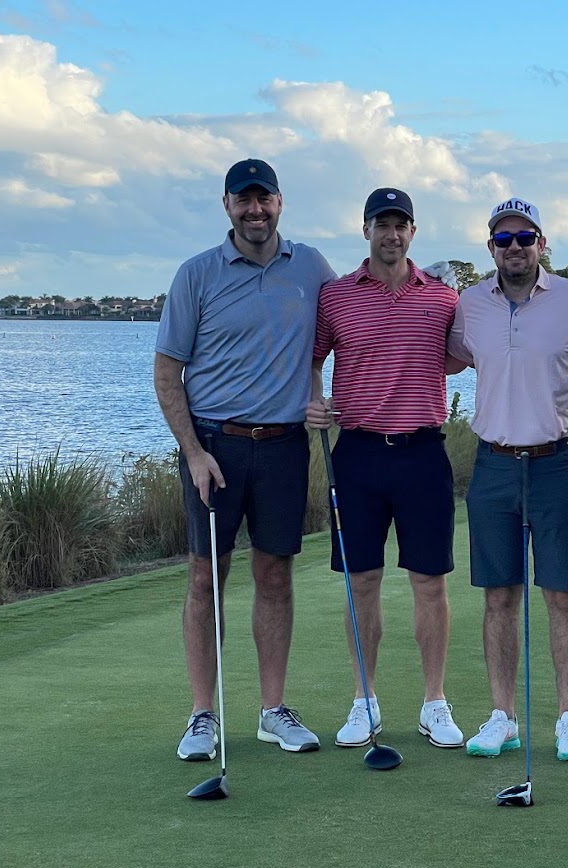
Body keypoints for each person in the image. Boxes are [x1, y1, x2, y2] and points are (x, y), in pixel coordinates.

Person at [156, 158, 336, 761]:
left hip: (284, 446)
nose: (255, 210)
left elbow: (354, 324)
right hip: (216, 446)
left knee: (275, 576)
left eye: (265, 200)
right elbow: (167, 373)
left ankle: (271, 710)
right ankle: (203, 715)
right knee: (206, 577)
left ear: (280, 202)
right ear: (227, 205)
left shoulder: (310, 266)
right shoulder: (197, 274)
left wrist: (326, 395)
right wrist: (194, 452)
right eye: (244, 201)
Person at [446, 197, 568, 761]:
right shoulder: (469, 304)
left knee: (564, 595)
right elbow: (445, 359)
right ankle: (502, 716)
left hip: (556, 461)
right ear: (491, 247)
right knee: (498, 596)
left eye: (525, 237)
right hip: (492, 463)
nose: (515, 247)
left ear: (543, 243)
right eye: (503, 239)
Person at [305, 187, 464, 750]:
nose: (391, 235)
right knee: (362, 582)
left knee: (429, 582)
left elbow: (472, 348)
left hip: (423, 452)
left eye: (401, 225)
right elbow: (311, 359)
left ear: (413, 233)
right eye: (381, 224)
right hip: (358, 454)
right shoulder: (336, 298)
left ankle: (434, 703)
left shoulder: (443, 299)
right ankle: (364, 700)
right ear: (365, 228)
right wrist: (314, 399)